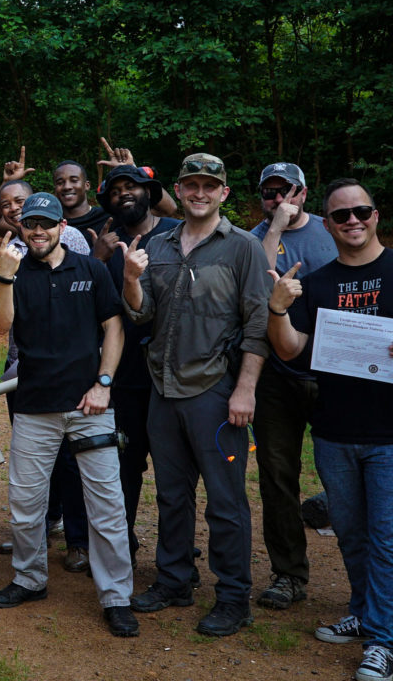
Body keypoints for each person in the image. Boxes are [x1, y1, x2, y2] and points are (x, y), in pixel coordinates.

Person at [267, 179, 393, 681]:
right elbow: (289, 349)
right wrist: (278, 307)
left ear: (376, 215)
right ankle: (368, 611)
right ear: (327, 224)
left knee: (390, 538)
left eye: (361, 212)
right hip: (333, 431)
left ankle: (384, 640)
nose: (353, 221)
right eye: (341, 216)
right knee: (351, 534)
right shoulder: (319, 280)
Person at [120, 153, 270, 637]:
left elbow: (258, 324)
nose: (200, 193)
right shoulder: (159, 244)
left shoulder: (243, 247)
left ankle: (233, 597)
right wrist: (129, 280)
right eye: (191, 185)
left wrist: (245, 389)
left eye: (210, 186)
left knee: (225, 501)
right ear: (179, 191)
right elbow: (142, 315)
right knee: (171, 495)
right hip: (163, 389)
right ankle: (174, 581)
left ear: (224, 192)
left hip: (215, 391)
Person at [0, 193, 137, 637]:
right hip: (35, 407)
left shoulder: (89, 269)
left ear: (60, 227)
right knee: (26, 506)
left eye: (46, 224)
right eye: (30, 224)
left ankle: (116, 597)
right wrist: (4, 278)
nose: (38, 231)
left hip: (89, 406)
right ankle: (29, 579)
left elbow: (113, 327)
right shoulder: (15, 271)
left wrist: (104, 384)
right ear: (23, 228)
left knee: (107, 506)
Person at [248, 162, 337, 611]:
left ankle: (373, 585)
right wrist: (276, 227)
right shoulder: (252, 240)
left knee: (347, 478)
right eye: (269, 192)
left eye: (285, 191)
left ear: (304, 191)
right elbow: (253, 290)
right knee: (278, 478)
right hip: (276, 379)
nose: (277, 199)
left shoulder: (334, 229)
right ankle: (288, 575)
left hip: (334, 375)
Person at [93, 165, 178, 563]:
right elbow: (94, 311)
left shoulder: (177, 233)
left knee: (172, 470)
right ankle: (120, 549)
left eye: (132, 187)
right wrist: (98, 259)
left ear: (149, 192)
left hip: (171, 374)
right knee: (124, 467)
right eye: (115, 190)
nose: (124, 194)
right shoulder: (108, 246)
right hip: (124, 374)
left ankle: (175, 552)